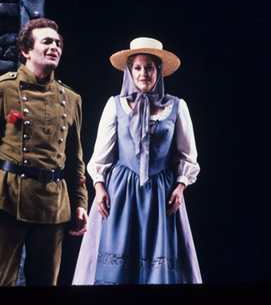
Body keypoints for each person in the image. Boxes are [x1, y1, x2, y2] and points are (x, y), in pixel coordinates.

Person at [0, 18, 88, 287]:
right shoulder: (3, 89)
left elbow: (75, 160)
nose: (55, 47)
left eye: (58, 43)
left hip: (54, 207)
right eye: (47, 41)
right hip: (7, 203)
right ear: (27, 51)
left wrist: (80, 203)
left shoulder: (71, 98)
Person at [72, 37, 201, 285]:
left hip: (161, 193)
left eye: (149, 67)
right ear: (130, 72)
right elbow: (101, 155)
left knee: (159, 265)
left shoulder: (176, 106)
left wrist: (181, 186)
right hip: (121, 192)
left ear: (158, 71)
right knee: (118, 262)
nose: (144, 74)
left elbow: (187, 154)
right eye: (138, 68)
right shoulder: (115, 105)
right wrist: (99, 188)